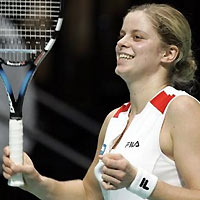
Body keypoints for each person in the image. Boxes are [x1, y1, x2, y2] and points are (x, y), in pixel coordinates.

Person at [2, 3, 200, 200]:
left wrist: (137, 180)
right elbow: (89, 193)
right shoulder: (114, 120)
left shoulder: (180, 108)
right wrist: (38, 182)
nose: (122, 42)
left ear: (168, 54)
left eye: (137, 37)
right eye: (121, 35)